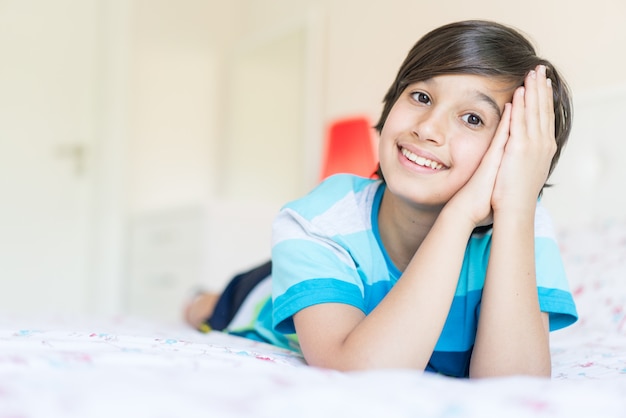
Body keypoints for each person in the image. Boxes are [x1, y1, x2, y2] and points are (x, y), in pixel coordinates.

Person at [184, 19, 578, 378]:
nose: (427, 128)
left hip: (352, 264)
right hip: (272, 292)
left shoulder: (521, 224)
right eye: (421, 97)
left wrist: (514, 206)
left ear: (514, 154)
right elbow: (357, 372)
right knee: (212, 306)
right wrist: (459, 216)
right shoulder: (321, 220)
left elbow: (514, 386)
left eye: (472, 118)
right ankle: (204, 296)